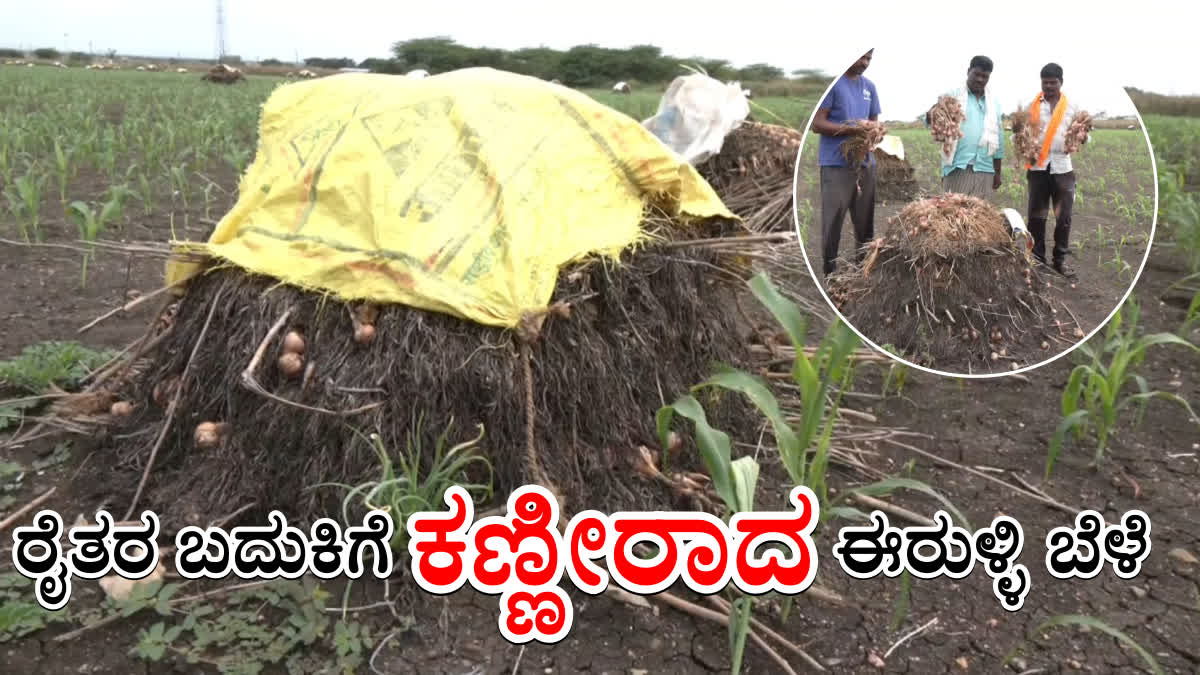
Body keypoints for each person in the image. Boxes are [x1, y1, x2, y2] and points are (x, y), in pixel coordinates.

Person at [811, 49, 880, 278]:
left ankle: (862, 271)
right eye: (860, 56)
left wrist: (874, 133)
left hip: (865, 163)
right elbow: (817, 124)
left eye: (868, 58)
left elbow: (873, 123)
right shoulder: (833, 84)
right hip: (836, 164)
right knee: (833, 221)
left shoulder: (869, 87)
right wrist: (852, 129)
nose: (863, 62)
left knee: (865, 222)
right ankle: (830, 273)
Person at [1016, 62, 1087, 279]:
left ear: (1061, 82)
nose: (1048, 86)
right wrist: (1019, 135)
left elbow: (1084, 136)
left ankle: (1060, 260)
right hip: (1038, 167)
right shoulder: (1031, 106)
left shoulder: (1073, 107)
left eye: (1053, 82)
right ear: (1041, 83)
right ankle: (1037, 260)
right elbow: (1020, 136)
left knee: (1063, 217)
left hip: (1063, 168)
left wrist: (1083, 137)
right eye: (1045, 82)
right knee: (1036, 216)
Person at [924, 55, 1005, 197]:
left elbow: (999, 139)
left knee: (980, 216)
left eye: (984, 76)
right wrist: (934, 113)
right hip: (958, 166)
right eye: (976, 74)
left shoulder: (994, 104)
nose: (980, 79)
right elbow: (931, 120)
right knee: (954, 214)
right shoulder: (953, 96)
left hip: (985, 168)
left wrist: (997, 172)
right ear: (968, 71)